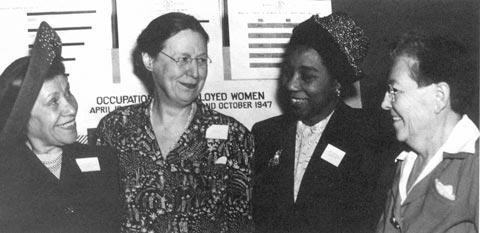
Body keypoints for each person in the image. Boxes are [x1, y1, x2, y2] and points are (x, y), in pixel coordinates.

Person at [96, 12, 253, 233]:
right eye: (183, 59)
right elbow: (100, 215)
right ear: (149, 60)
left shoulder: (234, 137)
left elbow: (241, 223)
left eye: (201, 60)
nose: (195, 72)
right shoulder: (116, 128)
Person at [252, 12, 392, 233]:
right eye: (287, 73)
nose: (290, 85)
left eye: (307, 76)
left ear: (337, 81)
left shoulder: (368, 136)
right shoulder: (265, 134)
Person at [0, 22, 121, 232]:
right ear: (23, 118)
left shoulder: (105, 161)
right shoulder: (5, 175)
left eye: (68, 93)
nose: (71, 108)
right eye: (53, 101)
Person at [375, 31, 478, 233]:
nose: (385, 103)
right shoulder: (405, 163)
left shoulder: (474, 166)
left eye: (395, 91)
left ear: (439, 96)